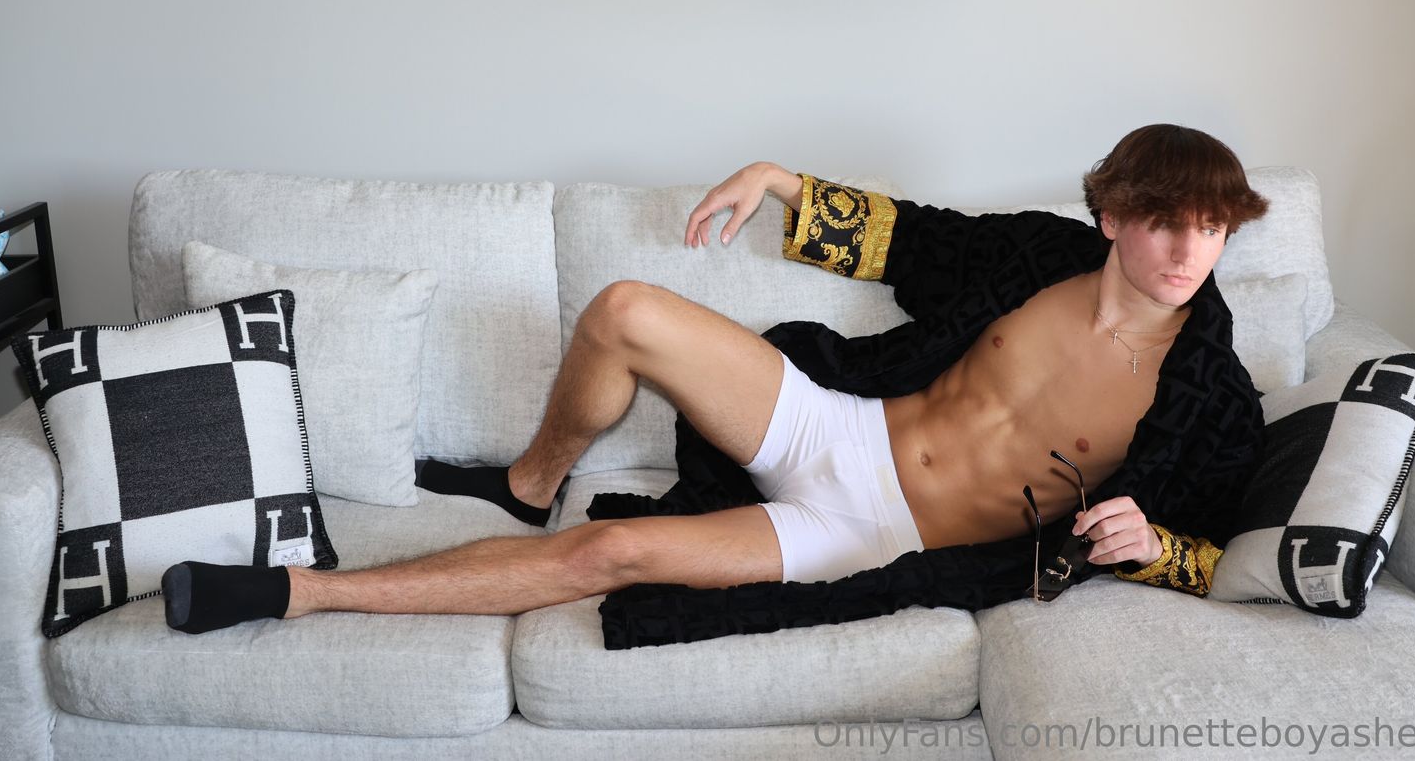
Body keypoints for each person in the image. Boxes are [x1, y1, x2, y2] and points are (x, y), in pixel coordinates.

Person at [162, 123, 1269, 636]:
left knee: (611, 556)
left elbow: (1220, 552)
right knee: (624, 310)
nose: (1190, 251)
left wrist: (1152, 544)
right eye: (1166, 222)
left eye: (1213, 229)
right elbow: (913, 238)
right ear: (1113, 215)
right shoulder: (1038, 253)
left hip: (870, 533)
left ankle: (298, 591)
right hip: (840, 426)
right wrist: (779, 178)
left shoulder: (1209, 395)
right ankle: (530, 480)